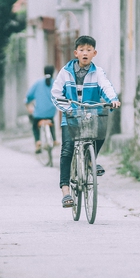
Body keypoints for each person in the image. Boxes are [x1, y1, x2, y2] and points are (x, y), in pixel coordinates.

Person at [51, 35, 120, 208]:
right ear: (76, 53)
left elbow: (106, 86)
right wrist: (68, 109)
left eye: (89, 50)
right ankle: (66, 191)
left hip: (92, 115)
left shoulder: (98, 72)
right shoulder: (65, 72)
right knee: (67, 150)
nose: (85, 53)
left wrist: (113, 99)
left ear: (94, 53)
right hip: (72, 117)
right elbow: (56, 93)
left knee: (101, 134)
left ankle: (90, 160)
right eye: (81, 50)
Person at [25, 65, 57, 153]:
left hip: (39, 113)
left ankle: (38, 141)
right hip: (51, 112)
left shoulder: (38, 83)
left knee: (35, 125)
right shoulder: (56, 83)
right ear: (53, 72)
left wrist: (27, 104)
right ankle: (54, 139)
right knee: (51, 121)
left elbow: (28, 96)